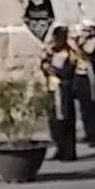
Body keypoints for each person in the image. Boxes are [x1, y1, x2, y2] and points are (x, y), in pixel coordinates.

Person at [41, 26, 77, 161]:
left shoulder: (70, 54)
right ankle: (59, 147)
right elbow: (44, 67)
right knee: (54, 121)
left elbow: (67, 72)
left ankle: (68, 152)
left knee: (65, 120)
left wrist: (52, 69)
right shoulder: (52, 53)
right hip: (52, 88)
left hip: (64, 89)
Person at [69, 23, 95, 150]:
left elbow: (89, 56)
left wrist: (77, 47)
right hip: (78, 76)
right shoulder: (79, 42)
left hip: (89, 76)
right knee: (83, 107)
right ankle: (87, 132)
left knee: (91, 106)